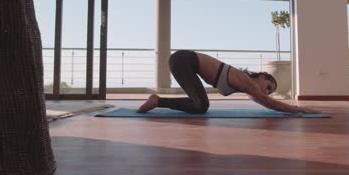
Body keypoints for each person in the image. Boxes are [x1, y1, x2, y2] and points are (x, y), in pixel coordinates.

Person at [137, 50, 319, 114]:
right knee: (201, 106)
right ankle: (157, 100)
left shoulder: (248, 87)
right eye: (268, 87)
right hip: (183, 60)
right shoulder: (246, 80)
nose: (267, 92)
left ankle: (157, 101)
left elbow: (267, 103)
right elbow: (271, 104)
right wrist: (301, 109)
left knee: (199, 105)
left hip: (183, 61)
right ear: (262, 77)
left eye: (269, 91)